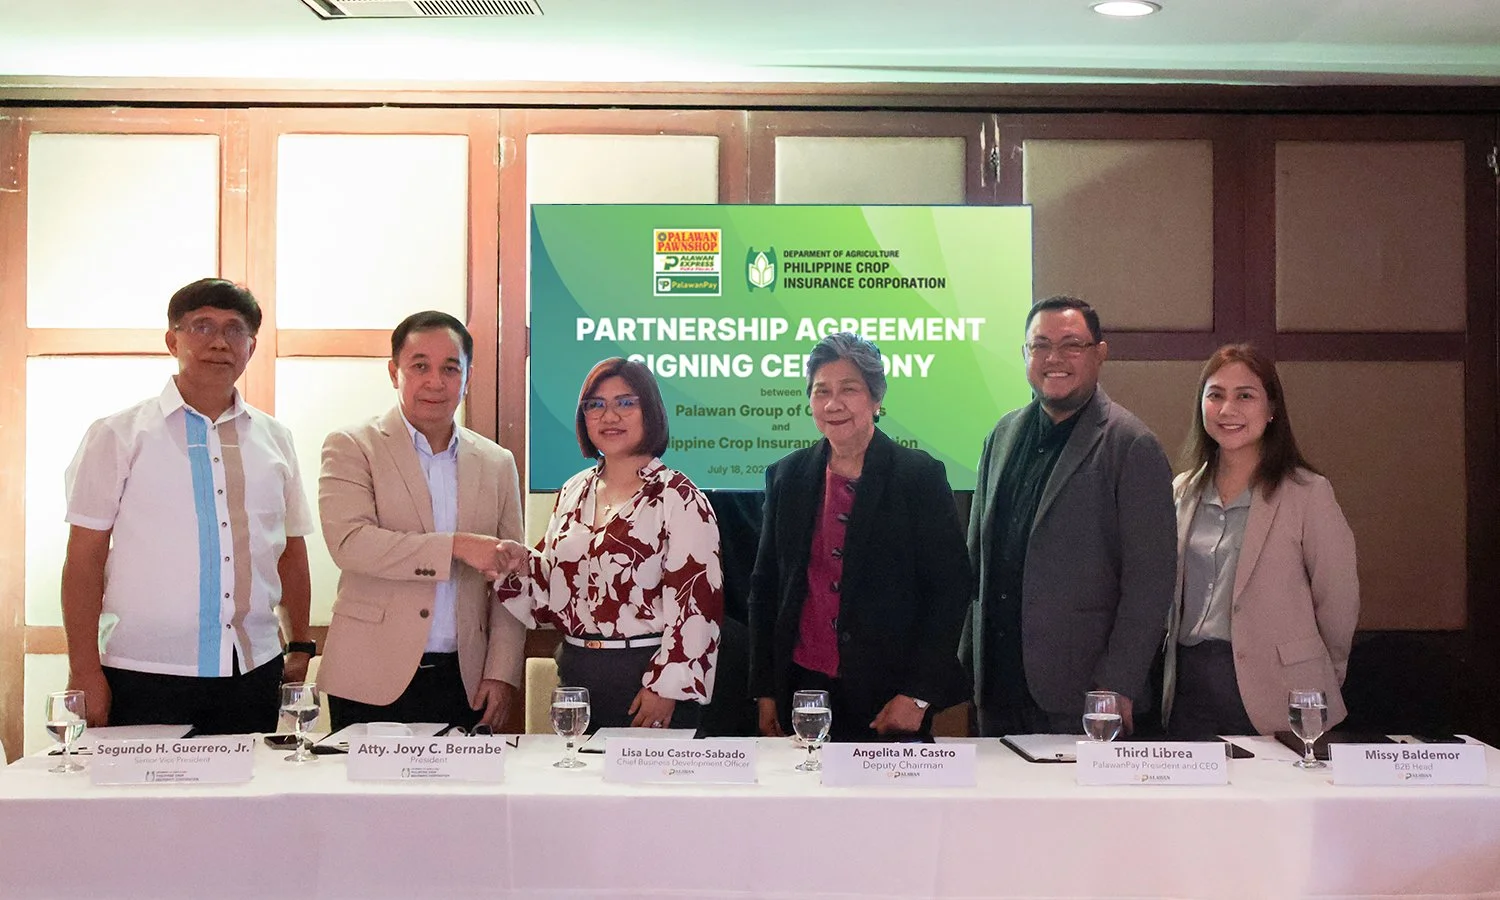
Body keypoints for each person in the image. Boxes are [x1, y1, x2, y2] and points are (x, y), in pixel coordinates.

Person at [61, 278, 314, 734]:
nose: (219, 342)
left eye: (234, 329)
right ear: (172, 340)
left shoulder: (276, 440)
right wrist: (84, 669)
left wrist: (299, 644)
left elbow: (291, 550)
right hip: (144, 669)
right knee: (140, 784)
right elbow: (84, 558)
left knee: (249, 783)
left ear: (251, 346)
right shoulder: (118, 435)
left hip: (251, 668)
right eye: (202, 326)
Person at [963, 295, 1176, 736]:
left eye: (1071, 345)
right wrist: (965, 665)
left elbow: (1150, 583)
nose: (1053, 358)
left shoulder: (1130, 445)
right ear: (1024, 354)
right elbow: (976, 557)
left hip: (1083, 695)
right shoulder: (1001, 434)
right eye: (1040, 345)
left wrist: (1118, 684)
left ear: (1100, 353)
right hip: (997, 688)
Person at [747, 333, 971, 743]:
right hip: (803, 691)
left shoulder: (918, 476)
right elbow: (765, 589)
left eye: (849, 389)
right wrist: (765, 690)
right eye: (822, 391)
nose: (834, 404)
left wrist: (917, 696)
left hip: (890, 698)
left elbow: (950, 591)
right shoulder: (787, 475)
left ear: (876, 397)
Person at [316, 311, 525, 733]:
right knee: (365, 779)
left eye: (450, 368)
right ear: (394, 372)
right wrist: (456, 546)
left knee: (464, 780)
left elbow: (512, 577)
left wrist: (502, 671)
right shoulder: (353, 445)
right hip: (370, 673)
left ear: (467, 376)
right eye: (420, 366)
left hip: (466, 679)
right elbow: (351, 544)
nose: (435, 382)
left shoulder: (497, 462)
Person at [495, 358, 723, 732]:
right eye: (595, 405)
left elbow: (698, 602)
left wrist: (667, 687)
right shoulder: (573, 491)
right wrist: (513, 564)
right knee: (577, 770)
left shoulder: (678, 497)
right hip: (576, 672)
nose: (609, 416)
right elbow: (553, 593)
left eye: (625, 402)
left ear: (650, 410)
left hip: (647, 681)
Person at [1163, 343, 1359, 737]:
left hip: (1281, 689)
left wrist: (1325, 671)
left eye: (1245, 396)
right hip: (1190, 685)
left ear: (1271, 409)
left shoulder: (1307, 493)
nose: (1227, 409)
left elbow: (1338, 598)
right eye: (1215, 395)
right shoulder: (1182, 491)